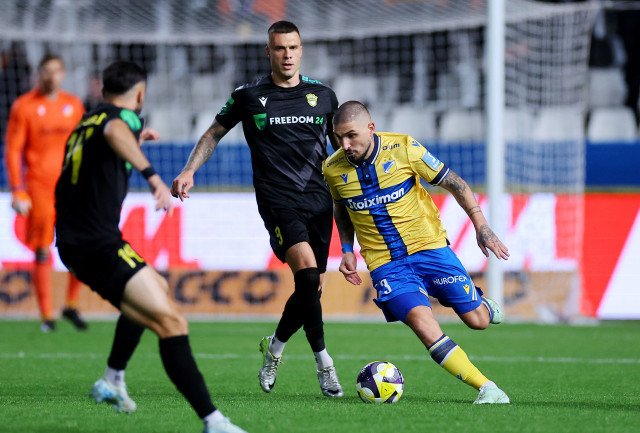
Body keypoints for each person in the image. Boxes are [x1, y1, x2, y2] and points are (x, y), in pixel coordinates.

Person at [54, 60, 248, 433]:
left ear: (103, 90)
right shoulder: (122, 119)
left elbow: (102, 145)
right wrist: (153, 177)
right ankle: (214, 422)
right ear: (140, 94)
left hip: (77, 241)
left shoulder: (84, 124)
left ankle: (113, 377)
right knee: (171, 322)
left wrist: (134, 141)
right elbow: (116, 130)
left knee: (155, 286)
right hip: (97, 244)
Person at [171, 20, 343, 398]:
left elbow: (341, 149)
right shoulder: (248, 96)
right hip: (278, 200)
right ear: (268, 52)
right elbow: (214, 133)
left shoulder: (324, 96)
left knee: (310, 289)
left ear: (301, 50)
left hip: (320, 201)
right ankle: (325, 363)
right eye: (280, 48)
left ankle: (274, 349)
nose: (287, 55)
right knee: (307, 274)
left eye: (293, 48)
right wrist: (189, 170)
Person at [323, 101, 510, 405]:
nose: (345, 145)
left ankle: (483, 306)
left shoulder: (404, 148)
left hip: (429, 248)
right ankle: (487, 388)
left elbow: (456, 184)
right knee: (421, 322)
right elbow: (341, 207)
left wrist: (482, 226)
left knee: (477, 321)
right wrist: (347, 249)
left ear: (371, 128)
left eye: (351, 136)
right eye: (338, 137)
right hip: (386, 264)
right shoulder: (332, 168)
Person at [4, 53, 87, 332]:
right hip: (39, 187)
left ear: (63, 74)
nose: (52, 76)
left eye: (56, 70)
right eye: (47, 71)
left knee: (80, 245)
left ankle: (71, 305)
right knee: (42, 249)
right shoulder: (24, 106)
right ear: (39, 73)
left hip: (71, 186)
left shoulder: (73, 105)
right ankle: (47, 315)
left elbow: (83, 144)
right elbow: (13, 150)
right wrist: (17, 189)